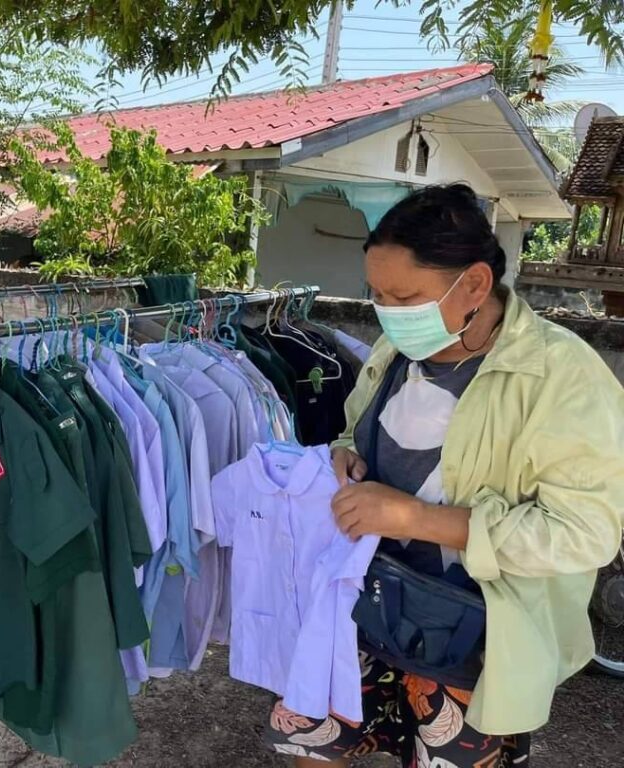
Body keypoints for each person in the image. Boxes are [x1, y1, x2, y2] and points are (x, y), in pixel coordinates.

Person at [264, 183, 624, 767]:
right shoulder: (396, 351)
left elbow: (585, 534)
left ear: (475, 284)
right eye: (377, 295)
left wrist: (418, 519)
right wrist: (345, 454)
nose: (387, 312)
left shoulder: (561, 376)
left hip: (472, 633)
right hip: (361, 598)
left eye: (404, 297)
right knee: (313, 743)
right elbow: (358, 428)